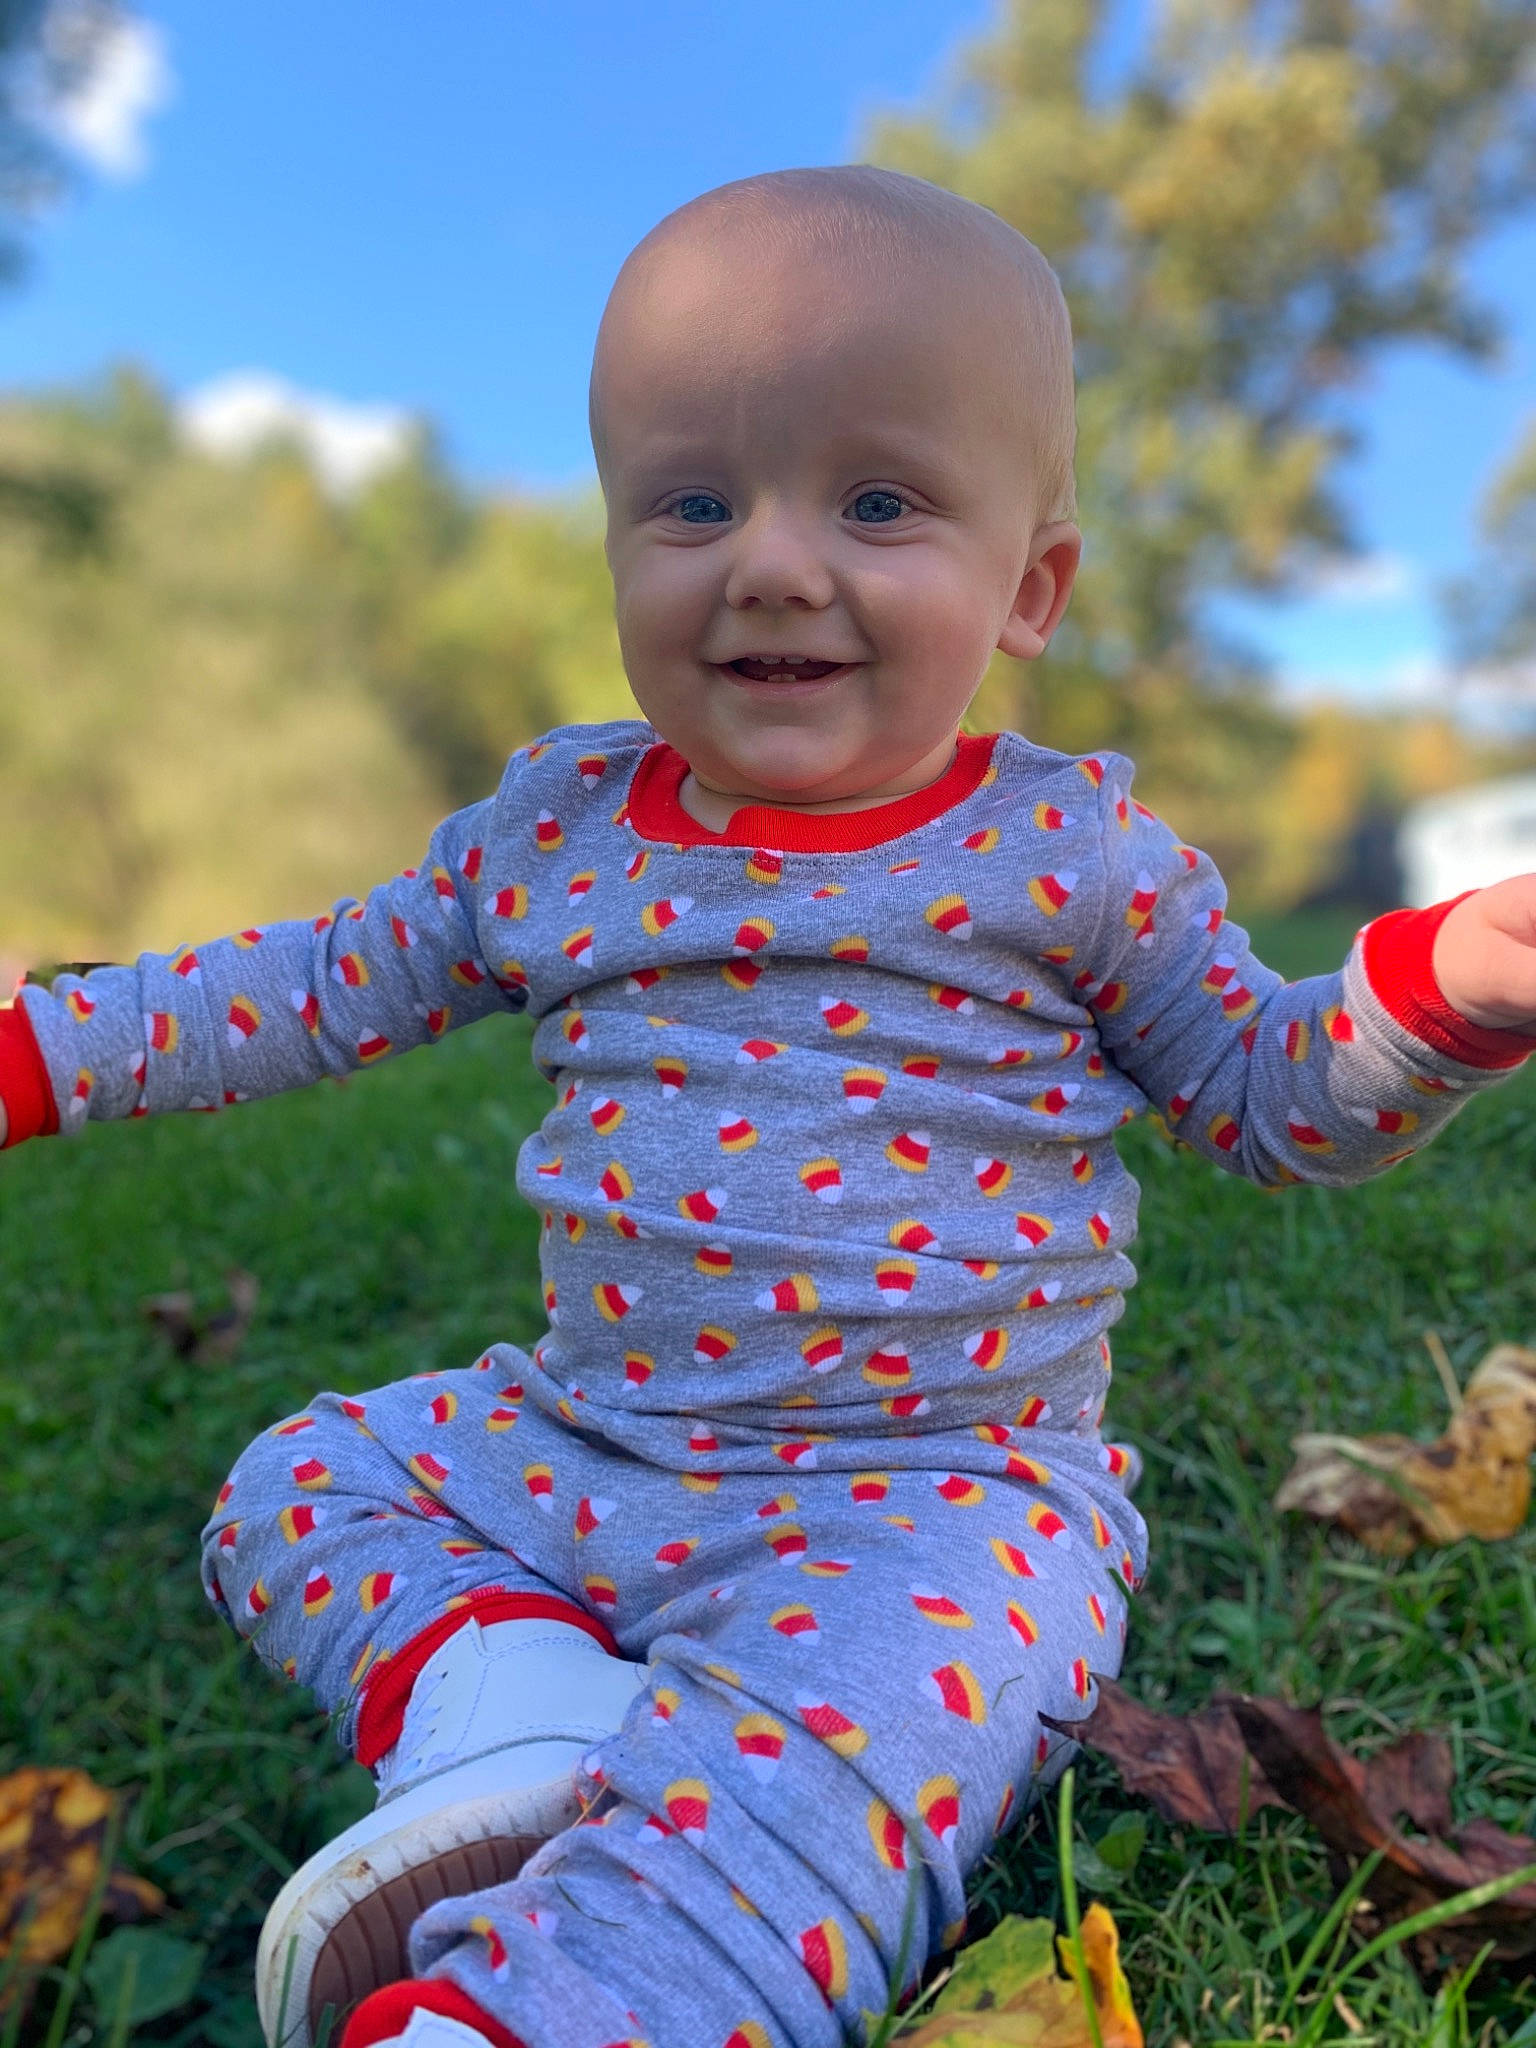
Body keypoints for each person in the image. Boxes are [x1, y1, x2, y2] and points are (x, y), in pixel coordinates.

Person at [4, 166, 1535, 2048]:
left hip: (942, 1507)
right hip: (593, 1446)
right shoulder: (556, 833)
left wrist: (1445, 990)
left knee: (816, 1785)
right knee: (301, 1483)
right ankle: (523, 1730)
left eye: (878, 502)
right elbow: (301, 988)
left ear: (1028, 586)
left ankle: (539, 2011)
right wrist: (40, 1054)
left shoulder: (1069, 854)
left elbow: (1268, 1093)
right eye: (695, 500)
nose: (774, 562)